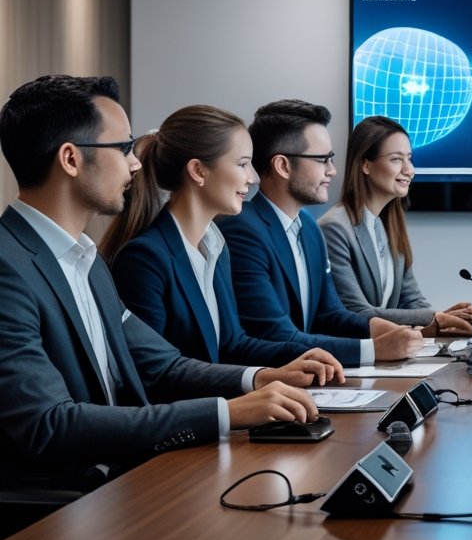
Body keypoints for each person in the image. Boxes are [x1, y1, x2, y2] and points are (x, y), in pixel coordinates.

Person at [0, 76, 323, 494]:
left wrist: (259, 379)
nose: (136, 163)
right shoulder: (8, 267)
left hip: (122, 483)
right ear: (70, 159)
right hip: (64, 506)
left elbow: (163, 364)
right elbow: (50, 424)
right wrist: (227, 414)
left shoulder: (87, 260)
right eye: (122, 149)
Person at [101, 105, 346, 380]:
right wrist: (257, 380)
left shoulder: (216, 247)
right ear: (198, 171)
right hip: (188, 421)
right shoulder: (144, 259)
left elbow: (233, 345)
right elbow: (155, 375)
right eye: (242, 164)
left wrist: (298, 356)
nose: (252, 178)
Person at [218, 99, 425, 367]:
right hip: (272, 385)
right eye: (322, 159)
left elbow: (330, 314)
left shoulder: (309, 228)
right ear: (282, 166)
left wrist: (379, 327)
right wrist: (372, 350)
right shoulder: (243, 229)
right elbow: (275, 333)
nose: (333, 170)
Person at [318, 116, 472, 336]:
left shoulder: (389, 224)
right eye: (396, 160)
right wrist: (435, 318)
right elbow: (355, 311)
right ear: (365, 164)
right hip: (357, 356)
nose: (410, 170)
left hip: (390, 351)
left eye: (409, 159)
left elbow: (410, 299)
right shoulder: (334, 228)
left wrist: (450, 318)